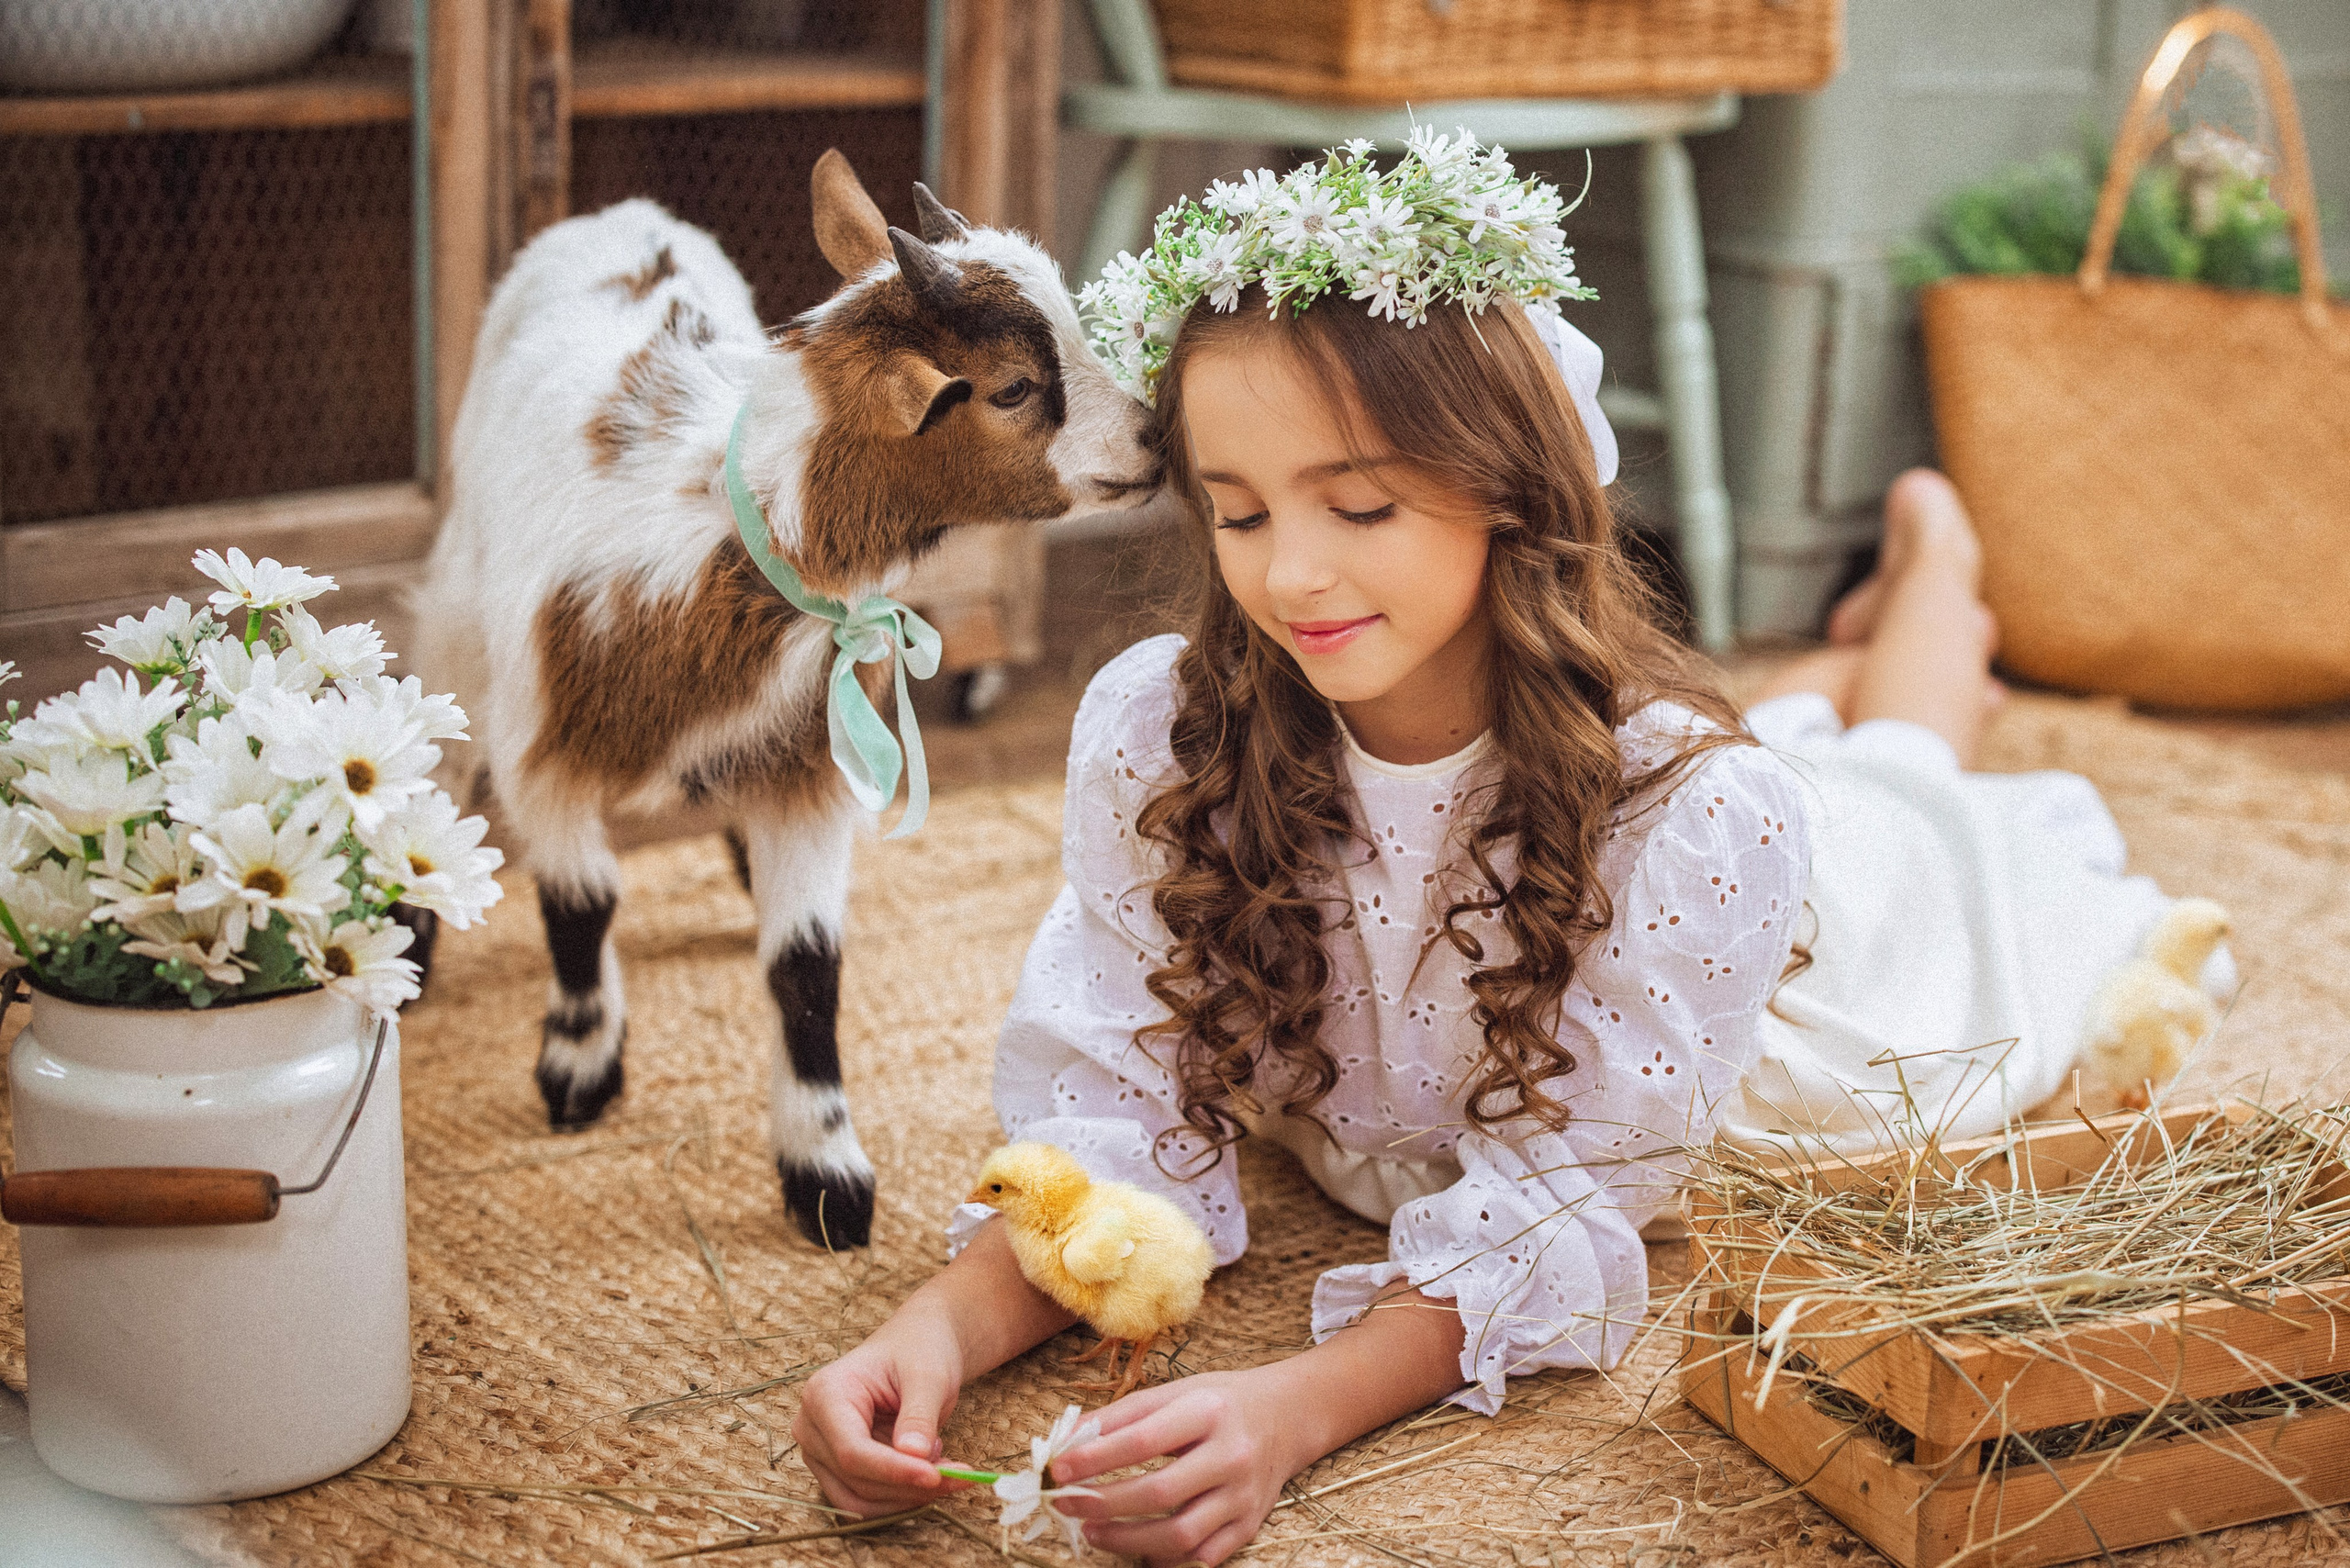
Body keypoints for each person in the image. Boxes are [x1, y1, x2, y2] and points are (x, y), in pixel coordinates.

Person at [791, 134, 2226, 1566]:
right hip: (1678, 787)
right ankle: (1869, 652)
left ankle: (1935, 578)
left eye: (1361, 506)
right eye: (1238, 510)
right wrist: (932, 1334)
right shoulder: (1164, 735)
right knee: (1824, 747)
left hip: (1809, 957)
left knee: (1908, 792)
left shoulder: (1692, 817)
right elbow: (1119, 1103)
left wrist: (1294, 1410)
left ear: (1512, 488)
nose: (1291, 573)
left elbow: (1567, 1196)